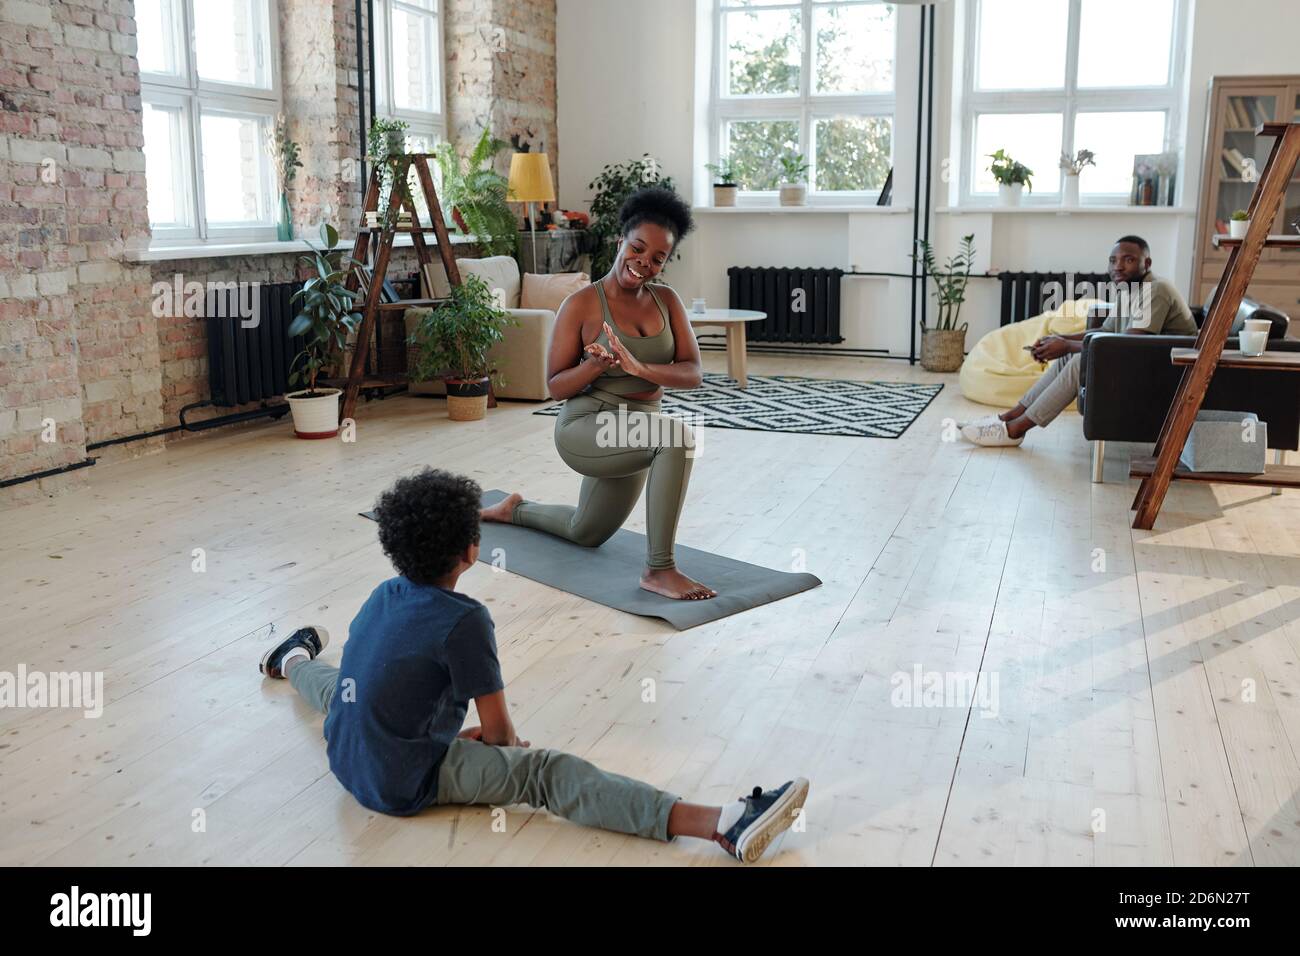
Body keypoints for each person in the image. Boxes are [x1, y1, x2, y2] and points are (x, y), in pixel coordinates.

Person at [258, 468, 809, 863]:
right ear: (472, 551)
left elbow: (396, 677)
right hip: (402, 780)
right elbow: (501, 736)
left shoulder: (383, 593)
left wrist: (454, 733)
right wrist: (497, 747)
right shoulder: (465, 619)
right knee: (544, 774)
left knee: (341, 690)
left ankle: (291, 660)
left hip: (346, 756)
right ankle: (722, 824)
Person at [480, 187, 717, 601]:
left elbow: (692, 373)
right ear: (620, 240)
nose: (644, 262)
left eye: (658, 258)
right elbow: (554, 387)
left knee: (585, 532)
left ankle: (513, 509)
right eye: (638, 248)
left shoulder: (667, 301)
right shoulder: (581, 305)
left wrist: (640, 367)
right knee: (678, 438)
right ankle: (659, 570)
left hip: (636, 431)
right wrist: (595, 366)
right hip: (587, 425)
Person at [960, 235, 1197, 447]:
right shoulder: (1128, 290)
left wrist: (1068, 345)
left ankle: (1014, 430)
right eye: (1113, 261)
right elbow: (1105, 331)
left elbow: (1132, 344)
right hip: (1142, 359)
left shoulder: (1155, 290)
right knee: (1071, 355)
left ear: (1147, 263)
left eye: (1128, 260)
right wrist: (1059, 340)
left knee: (1080, 361)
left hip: (1167, 370)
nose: (1118, 267)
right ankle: (1009, 417)